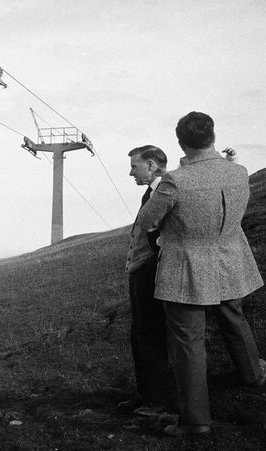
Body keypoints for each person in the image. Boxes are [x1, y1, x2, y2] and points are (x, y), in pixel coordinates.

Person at [138, 111, 265, 436]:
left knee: (189, 341)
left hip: (187, 267)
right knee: (234, 319)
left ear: (181, 142)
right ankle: (253, 375)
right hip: (229, 259)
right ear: (212, 136)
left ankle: (196, 422)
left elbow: (148, 221)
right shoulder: (238, 171)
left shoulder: (176, 181)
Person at [120, 145, 170, 416]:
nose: (130, 172)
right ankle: (146, 394)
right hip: (141, 270)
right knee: (140, 333)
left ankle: (157, 398)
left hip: (153, 271)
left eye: (134, 166)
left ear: (150, 165)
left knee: (149, 333)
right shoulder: (152, 192)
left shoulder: (166, 191)